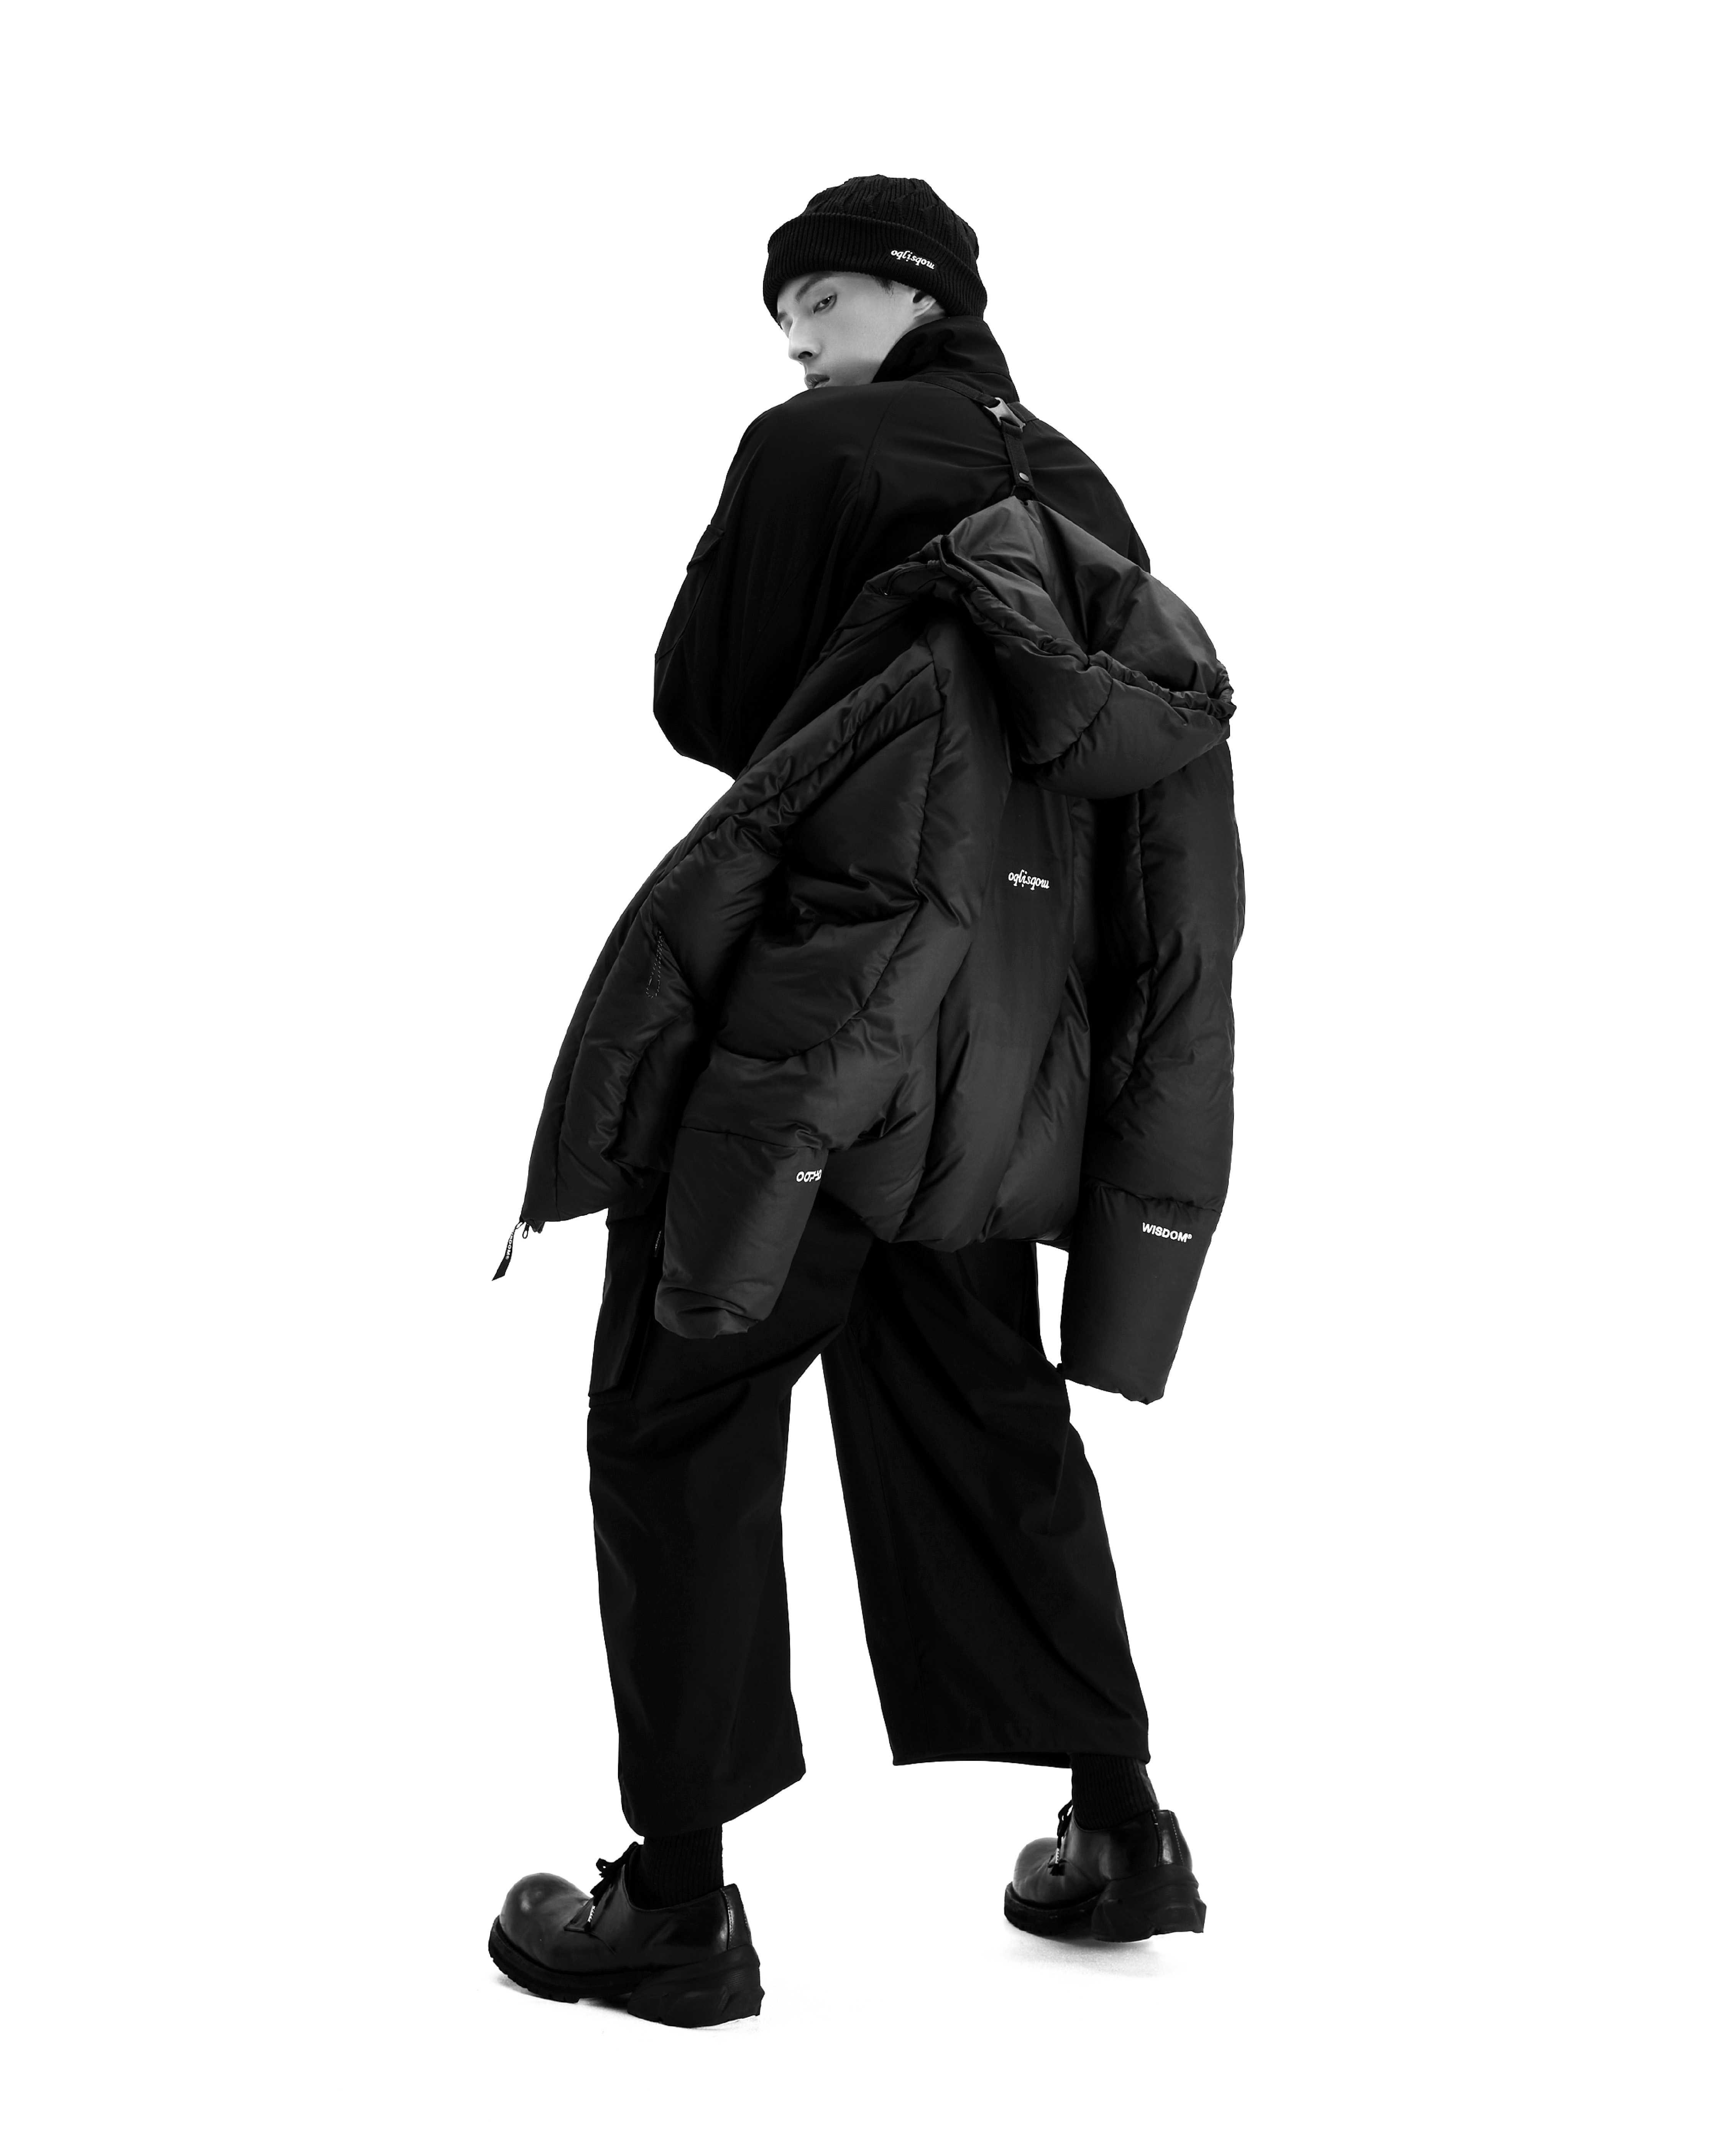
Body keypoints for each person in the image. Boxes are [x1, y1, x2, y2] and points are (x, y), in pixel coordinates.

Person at [487, 176, 1242, 2028]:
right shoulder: (1090, 486)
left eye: (816, 303)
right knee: (982, 1410)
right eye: (786, 323)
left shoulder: (814, 452)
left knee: (678, 1400)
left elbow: (710, 702)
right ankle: (1121, 1828)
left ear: (912, 293)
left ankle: (677, 1908)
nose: (796, 346)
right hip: (1000, 1065)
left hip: (821, 1040)